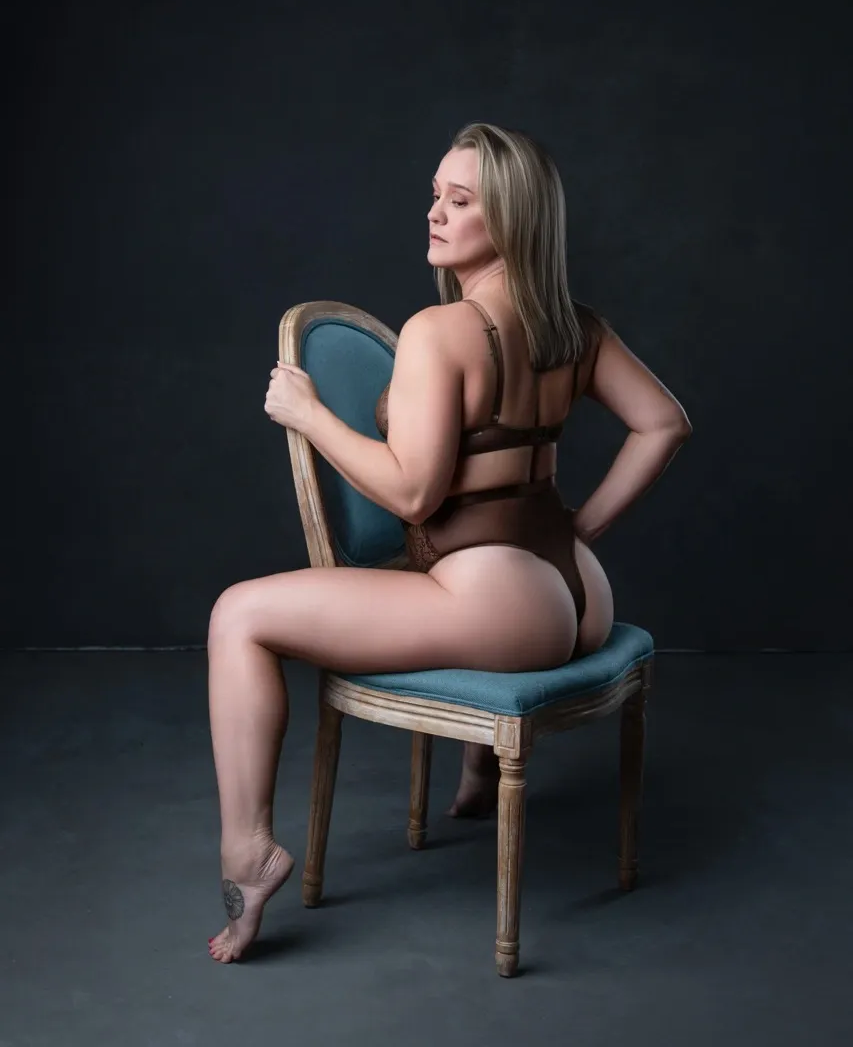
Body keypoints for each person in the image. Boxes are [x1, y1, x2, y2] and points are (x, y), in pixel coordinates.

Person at [207, 122, 692, 963]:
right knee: (439, 590)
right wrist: (581, 529)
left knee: (237, 615)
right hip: (577, 589)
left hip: (498, 603)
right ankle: (475, 776)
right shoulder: (573, 326)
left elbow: (411, 492)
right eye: (434, 193)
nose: (434, 213)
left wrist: (310, 415)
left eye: (459, 202)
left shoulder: (441, 332)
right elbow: (663, 424)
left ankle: (247, 854)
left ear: (510, 222)